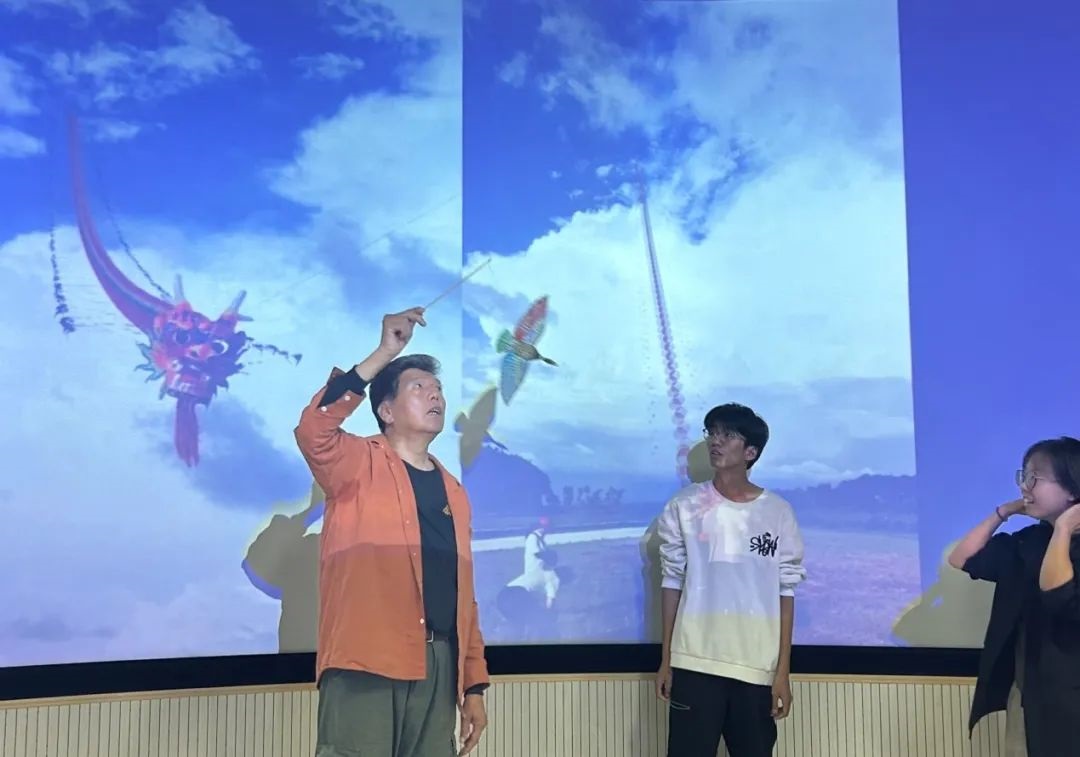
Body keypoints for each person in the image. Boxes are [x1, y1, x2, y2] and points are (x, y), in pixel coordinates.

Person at [294, 307, 489, 757]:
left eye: (438, 388)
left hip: (439, 666)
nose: (434, 394)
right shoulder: (355, 462)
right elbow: (312, 428)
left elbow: (464, 596)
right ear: (386, 410)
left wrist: (473, 685)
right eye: (418, 387)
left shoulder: (455, 492)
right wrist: (385, 352)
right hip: (366, 657)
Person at [656, 403, 806, 757]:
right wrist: (667, 659)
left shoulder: (778, 512)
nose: (716, 441)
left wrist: (782, 672)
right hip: (694, 662)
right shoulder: (684, 506)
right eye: (712, 433)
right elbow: (672, 582)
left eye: (727, 435)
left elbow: (785, 591)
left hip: (756, 667)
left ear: (750, 452)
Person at [947, 437, 1080, 756]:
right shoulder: (1029, 540)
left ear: (1072, 488)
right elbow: (961, 558)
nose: (1024, 486)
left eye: (1035, 478)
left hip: (1070, 697)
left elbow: (1058, 595)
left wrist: (1064, 530)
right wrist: (1003, 512)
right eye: (1023, 476)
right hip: (1030, 691)